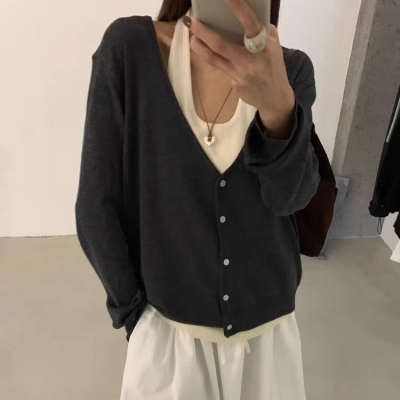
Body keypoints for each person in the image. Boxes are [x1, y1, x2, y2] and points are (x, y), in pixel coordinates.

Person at [75, 0, 320, 398]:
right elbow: (95, 205)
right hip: (169, 337)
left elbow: (290, 200)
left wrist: (279, 111)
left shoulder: (290, 70)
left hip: (267, 338)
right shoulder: (131, 50)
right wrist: (136, 317)